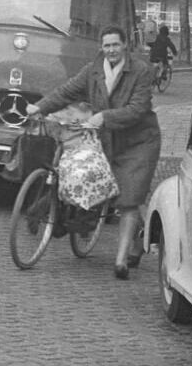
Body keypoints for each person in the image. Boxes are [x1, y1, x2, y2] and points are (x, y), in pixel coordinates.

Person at [29, 25, 161, 280]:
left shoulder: (141, 71)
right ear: (101, 47)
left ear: (125, 45)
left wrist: (103, 117)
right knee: (111, 191)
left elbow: (138, 108)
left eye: (115, 44)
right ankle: (138, 238)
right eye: (107, 45)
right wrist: (40, 107)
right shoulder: (93, 70)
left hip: (139, 143)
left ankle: (121, 261)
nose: (111, 50)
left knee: (129, 197)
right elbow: (67, 91)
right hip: (107, 140)